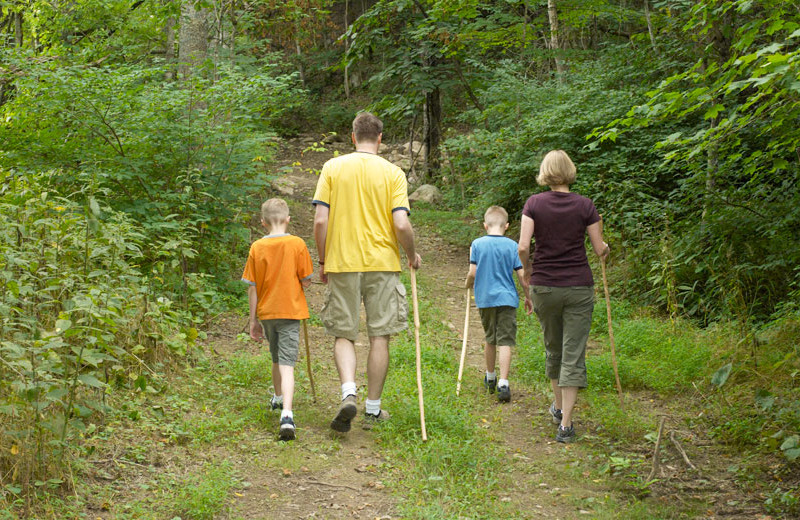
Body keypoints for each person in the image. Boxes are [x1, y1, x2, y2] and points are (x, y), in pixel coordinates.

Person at [312, 111, 422, 433]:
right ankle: (373, 410)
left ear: (352, 136)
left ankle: (349, 392)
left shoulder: (332, 168)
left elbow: (320, 221)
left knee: (343, 333)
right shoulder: (393, 173)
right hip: (383, 263)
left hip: (342, 261)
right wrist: (412, 255)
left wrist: (323, 259)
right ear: (380, 139)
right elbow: (401, 223)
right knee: (380, 335)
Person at [517, 150, 609, 443]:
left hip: (544, 286)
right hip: (579, 287)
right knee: (573, 352)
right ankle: (566, 425)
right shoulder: (586, 205)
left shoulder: (534, 203)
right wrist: (605, 247)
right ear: (570, 170)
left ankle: (558, 407)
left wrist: (529, 271)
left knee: (553, 347)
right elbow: (599, 249)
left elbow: (522, 247)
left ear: (545, 172)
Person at [242, 198, 313, 441]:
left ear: (263, 223)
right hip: (291, 311)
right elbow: (306, 279)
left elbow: (252, 287)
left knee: (276, 357)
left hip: (267, 312)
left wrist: (253, 320)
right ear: (288, 219)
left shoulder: (256, 248)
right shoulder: (297, 244)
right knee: (287, 364)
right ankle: (287, 415)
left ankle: (278, 397)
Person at [465, 206, 528, 403]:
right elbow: (521, 275)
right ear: (506, 226)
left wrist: (467, 285)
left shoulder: (477, 244)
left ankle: (490, 376)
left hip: (485, 299)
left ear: (485, 225)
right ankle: (503, 383)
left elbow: (472, 273)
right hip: (508, 299)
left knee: (490, 338)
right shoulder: (512, 246)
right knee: (506, 341)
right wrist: (528, 296)